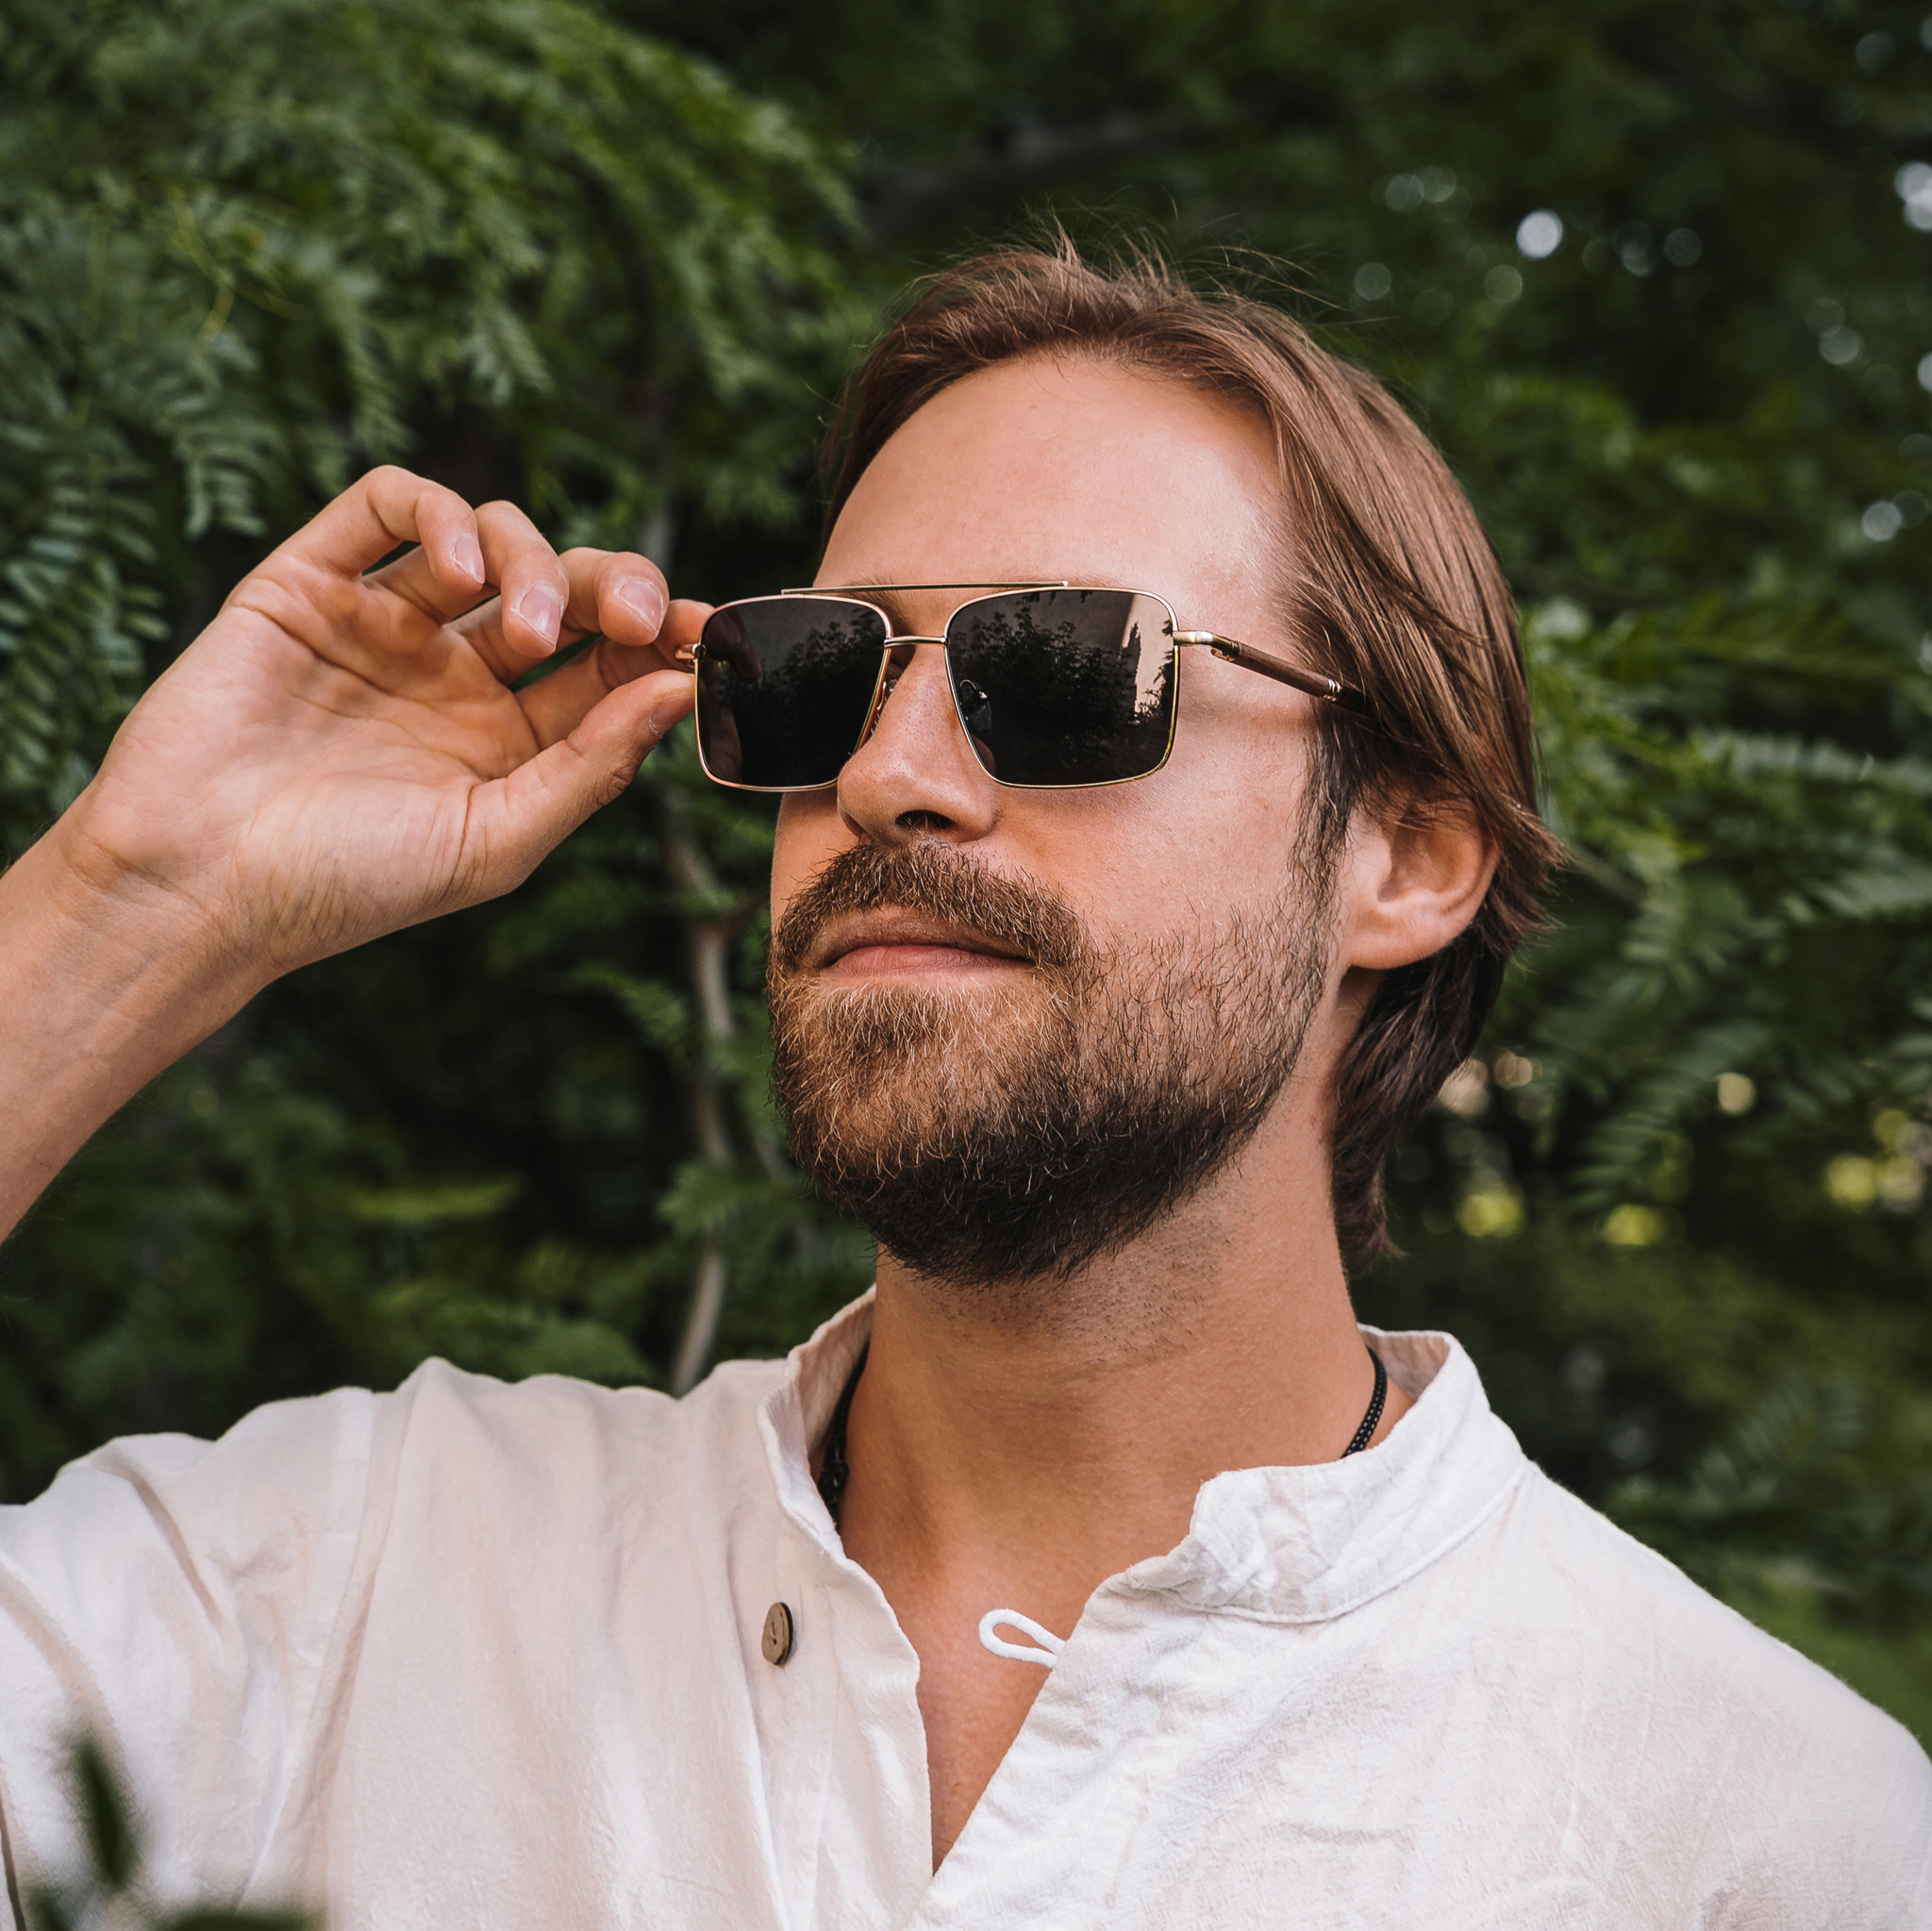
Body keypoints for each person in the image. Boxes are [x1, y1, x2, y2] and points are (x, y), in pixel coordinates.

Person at [0, 243, 1925, 1929]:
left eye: (1059, 670)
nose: (887, 774)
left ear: (1405, 855)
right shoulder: (332, 1592)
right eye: (817, 675)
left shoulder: (1769, 1842)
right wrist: (134, 903)